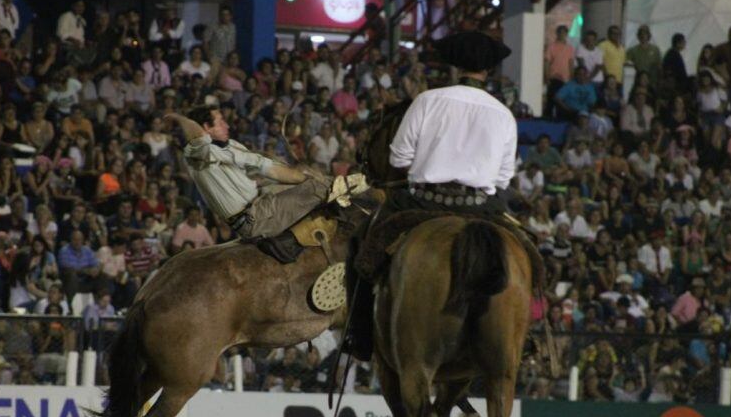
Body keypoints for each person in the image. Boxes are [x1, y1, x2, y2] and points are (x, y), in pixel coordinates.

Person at [345, 31, 515, 360]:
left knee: (361, 244)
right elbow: (504, 177)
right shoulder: (503, 114)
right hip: (482, 205)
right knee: (529, 252)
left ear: (454, 66)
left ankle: (361, 336)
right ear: (489, 71)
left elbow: (398, 159)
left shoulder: (428, 100)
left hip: (423, 200)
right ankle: (525, 338)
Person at [168, 106, 361, 241]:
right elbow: (197, 136)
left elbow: (265, 170)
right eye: (220, 122)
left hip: (260, 204)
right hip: (255, 218)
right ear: (206, 128)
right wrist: (180, 118)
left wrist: (299, 174)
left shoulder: (231, 145)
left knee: (307, 182)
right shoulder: (199, 154)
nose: (227, 125)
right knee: (317, 187)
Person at [545, 25, 575, 117]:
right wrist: (547, 76)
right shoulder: (551, 47)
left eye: (564, 32)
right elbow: (547, 62)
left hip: (565, 79)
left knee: (562, 102)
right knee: (551, 100)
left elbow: (571, 63)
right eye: (560, 32)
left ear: (566, 34)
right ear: (557, 33)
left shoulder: (570, 48)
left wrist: (572, 76)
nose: (562, 34)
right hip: (554, 77)